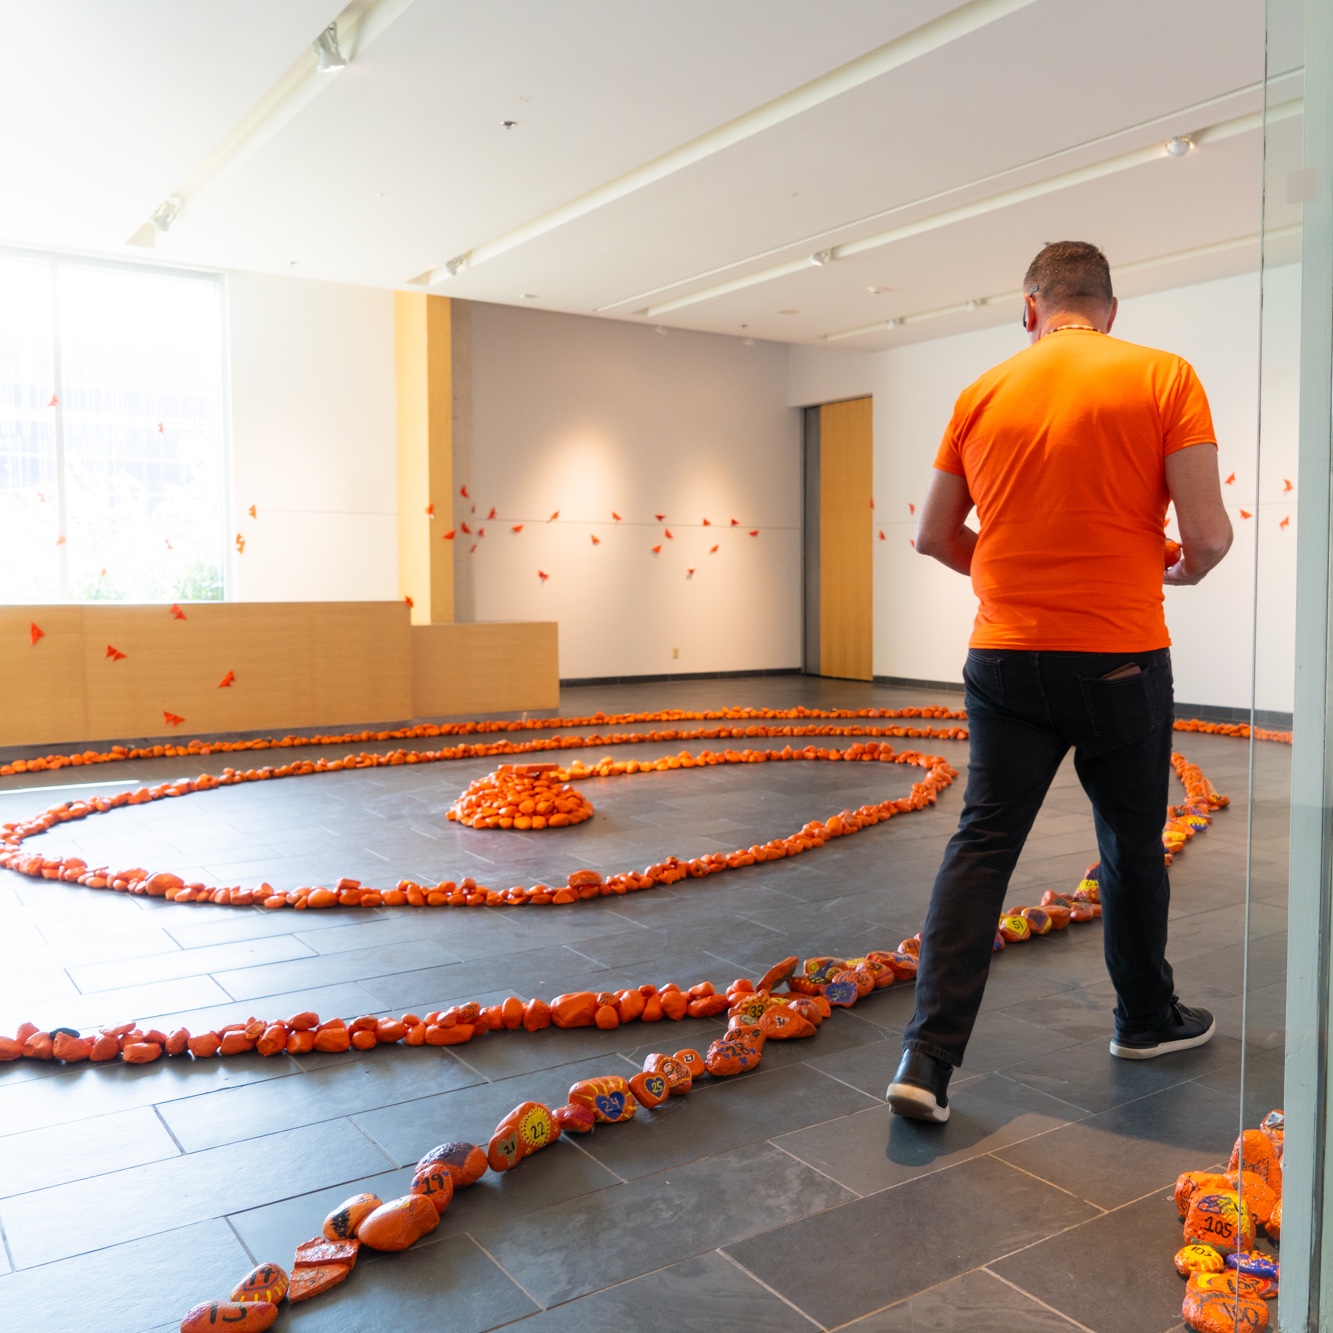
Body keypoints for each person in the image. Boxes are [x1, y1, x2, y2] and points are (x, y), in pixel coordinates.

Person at [887, 240, 1234, 1124]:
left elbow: (930, 534)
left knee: (982, 841)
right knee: (1128, 840)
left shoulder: (981, 391)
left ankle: (926, 1059)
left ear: (1030, 309)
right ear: (1110, 310)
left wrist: (1013, 580)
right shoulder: (1163, 377)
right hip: (1117, 659)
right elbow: (1209, 534)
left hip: (1002, 658)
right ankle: (1144, 1020)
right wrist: (1175, 569)